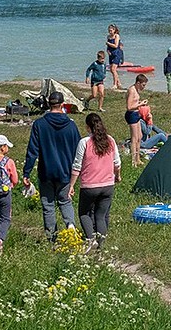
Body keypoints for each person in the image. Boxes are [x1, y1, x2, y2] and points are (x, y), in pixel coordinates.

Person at [22, 91, 82, 241]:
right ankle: (71, 226)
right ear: (62, 105)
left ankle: (51, 237)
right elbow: (79, 150)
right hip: (65, 172)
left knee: (48, 205)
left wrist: (26, 173)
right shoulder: (71, 126)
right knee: (65, 200)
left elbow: (32, 150)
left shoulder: (39, 124)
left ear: (49, 105)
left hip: (46, 172)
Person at [69, 113, 120, 254]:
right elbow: (117, 163)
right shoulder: (110, 140)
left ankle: (90, 239)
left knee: (84, 213)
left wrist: (71, 185)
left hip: (89, 186)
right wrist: (118, 176)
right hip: (108, 185)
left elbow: (77, 166)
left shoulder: (84, 142)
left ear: (87, 127)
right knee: (101, 216)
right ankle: (100, 245)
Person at [125, 74, 149, 167]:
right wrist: (140, 104)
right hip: (131, 115)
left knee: (140, 136)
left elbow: (134, 103)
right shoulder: (132, 90)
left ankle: (138, 158)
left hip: (136, 114)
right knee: (134, 138)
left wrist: (140, 103)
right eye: (143, 85)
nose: (144, 87)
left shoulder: (136, 90)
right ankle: (133, 161)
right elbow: (129, 107)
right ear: (138, 83)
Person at [106, 24, 123, 89]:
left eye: (111, 30)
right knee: (111, 69)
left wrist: (108, 43)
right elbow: (108, 47)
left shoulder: (117, 36)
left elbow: (116, 45)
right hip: (111, 54)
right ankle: (119, 83)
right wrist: (107, 51)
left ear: (114, 30)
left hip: (117, 53)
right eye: (109, 30)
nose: (110, 32)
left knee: (113, 69)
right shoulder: (108, 37)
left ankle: (115, 84)